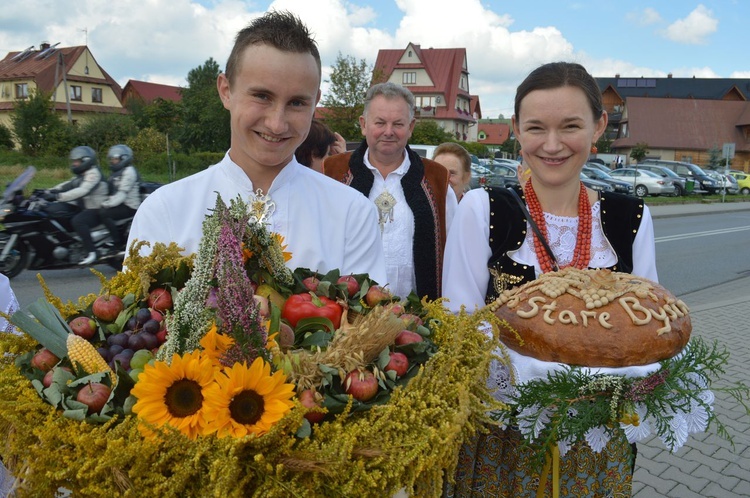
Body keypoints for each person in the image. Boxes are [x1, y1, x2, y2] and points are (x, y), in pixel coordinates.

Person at [442, 62, 657, 497]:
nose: (553, 144)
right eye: (536, 127)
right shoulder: (484, 209)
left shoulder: (630, 217)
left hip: (596, 440)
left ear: (598, 127)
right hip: (503, 433)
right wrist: (542, 378)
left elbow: (646, 329)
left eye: (571, 126)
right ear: (516, 130)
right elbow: (459, 322)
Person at [126, 11, 386, 284]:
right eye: (262, 96)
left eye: (297, 102)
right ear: (226, 90)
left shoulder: (352, 214)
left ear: (315, 102)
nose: (276, 124)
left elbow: (368, 323)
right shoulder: (165, 210)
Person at [324, 82, 457, 301]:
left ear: (411, 127)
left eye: (398, 124)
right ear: (363, 124)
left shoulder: (437, 180)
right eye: (380, 122)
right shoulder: (331, 172)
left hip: (418, 321)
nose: (388, 131)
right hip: (347, 319)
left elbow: (454, 255)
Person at [42, 146, 108, 265]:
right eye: (73, 161)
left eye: (76, 161)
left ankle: (92, 252)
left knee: (78, 221)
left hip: (96, 208)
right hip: (85, 207)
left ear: (86, 160)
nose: (74, 164)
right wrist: (47, 191)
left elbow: (82, 190)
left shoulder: (93, 174)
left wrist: (58, 197)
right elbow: (67, 184)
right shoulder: (83, 174)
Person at [100, 144, 141, 254]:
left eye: (115, 159)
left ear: (124, 158)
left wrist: (107, 204)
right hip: (121, 203)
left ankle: (117, 242)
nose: (112, 161)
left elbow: (122, 193)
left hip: (130, 206)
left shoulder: (129, 172)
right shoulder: (117, 172)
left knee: (104, 213)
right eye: (112, 159)